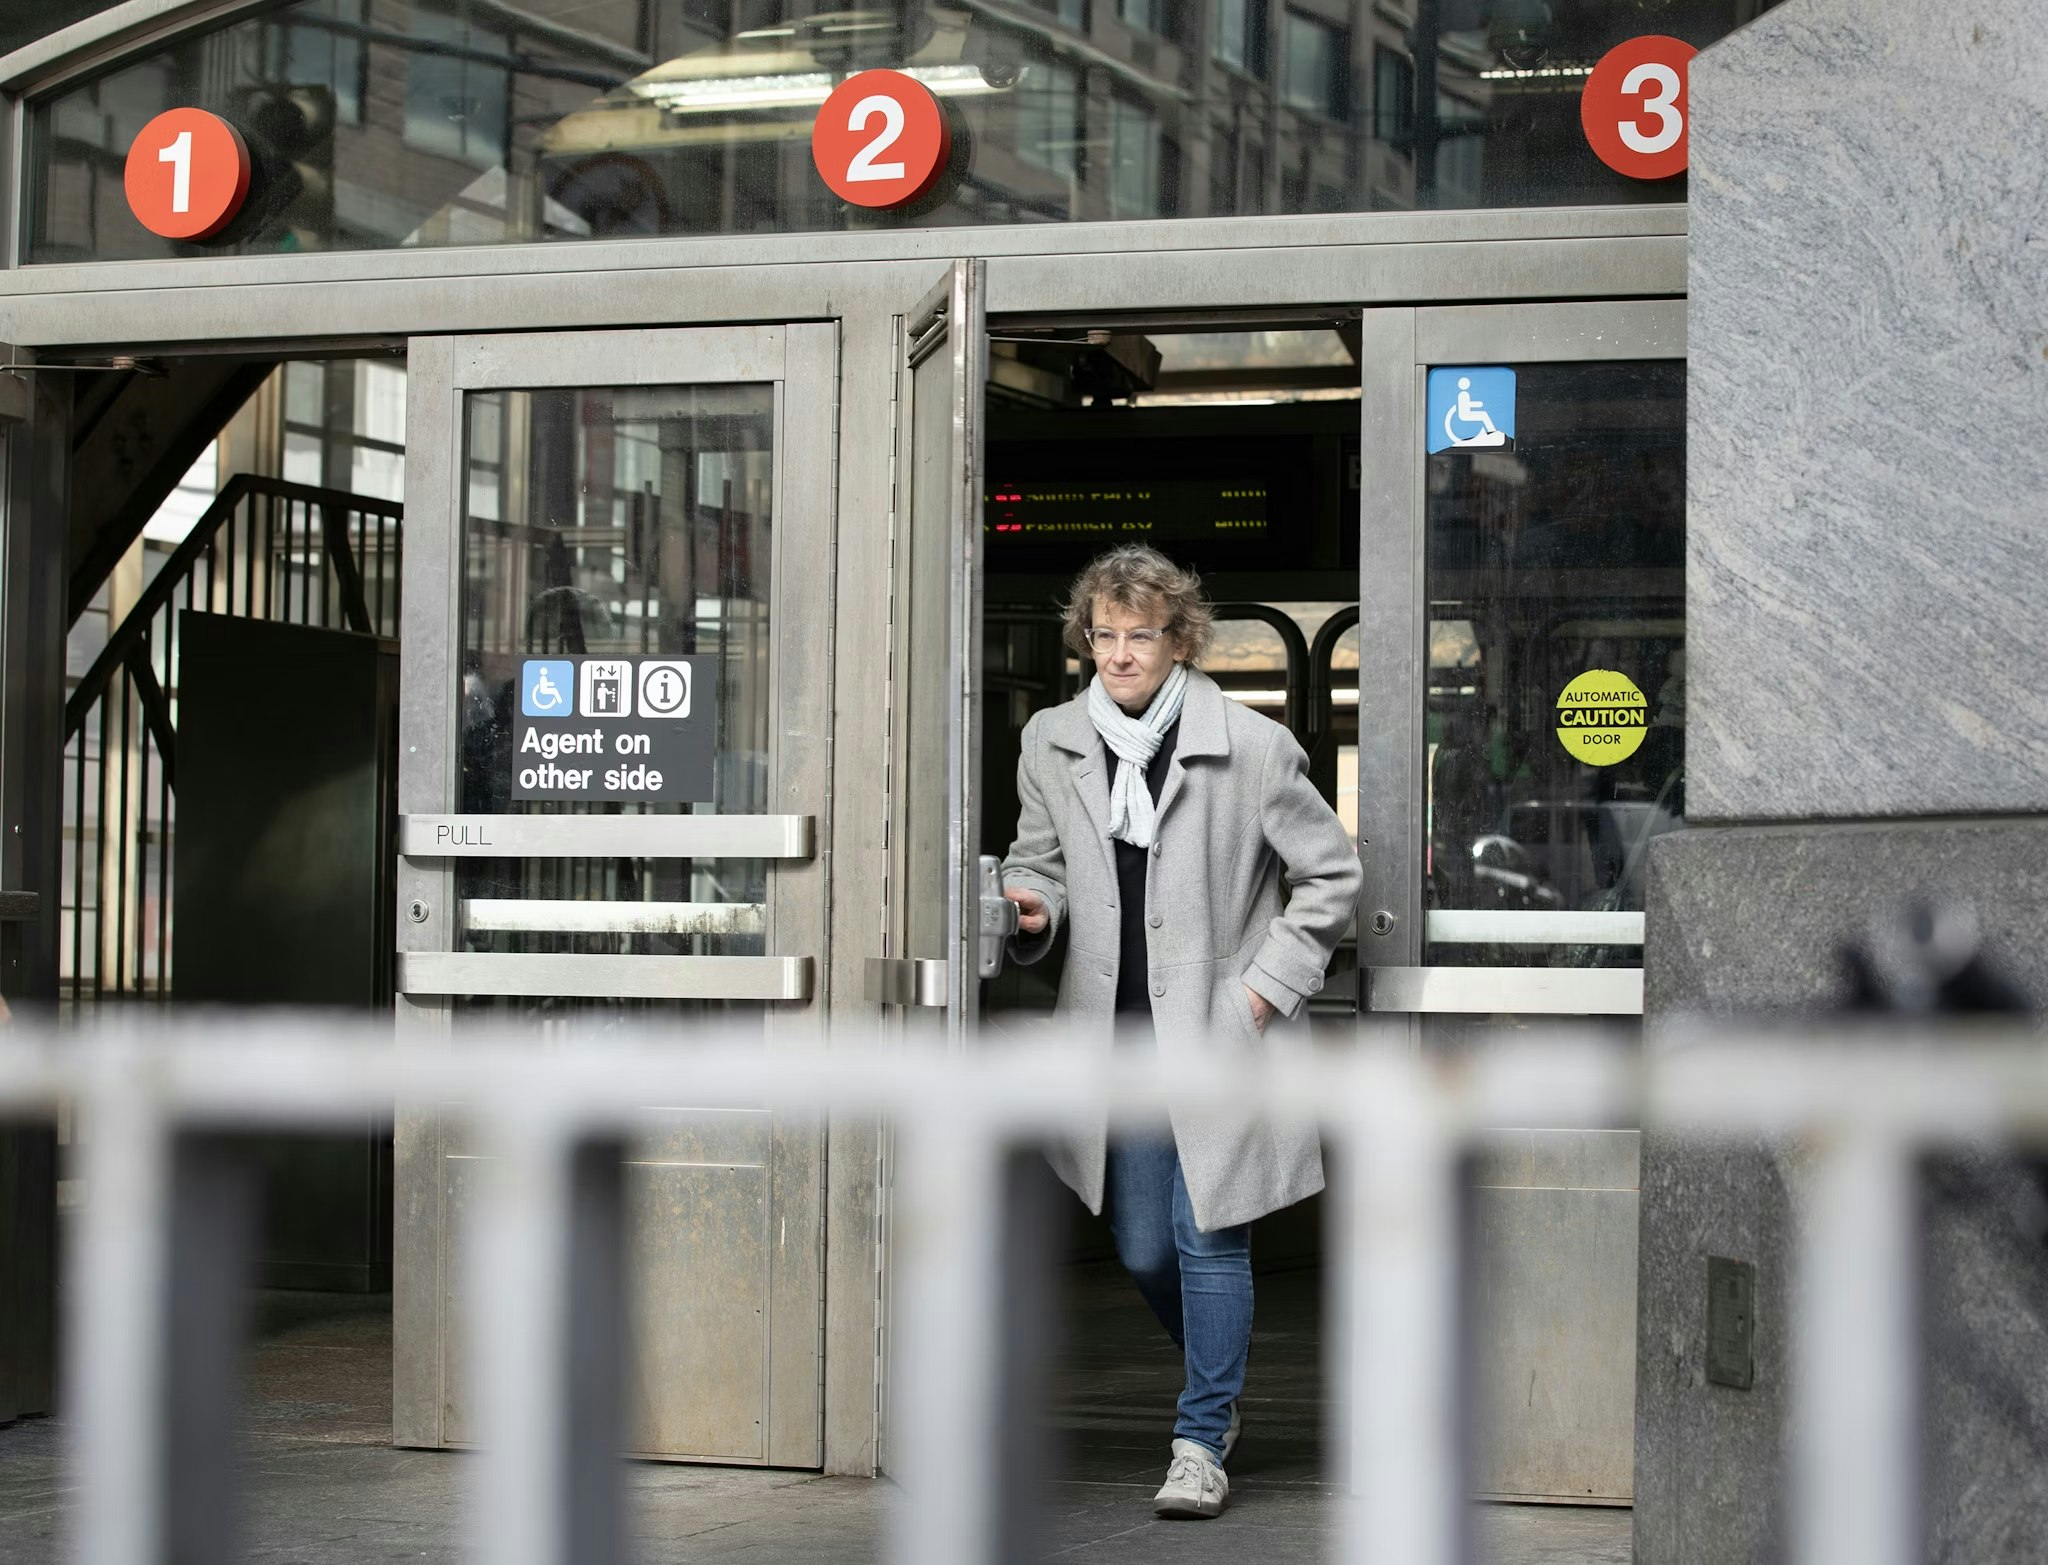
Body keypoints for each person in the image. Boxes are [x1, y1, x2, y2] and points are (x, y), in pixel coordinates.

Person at [1000, 545, 1362, 1520]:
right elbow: (1038, 862)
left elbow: (1330, 876)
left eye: (1140, 635)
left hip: (1216, 1034)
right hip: (1113, 1040)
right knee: (1142, 1247)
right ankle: (1216, 1386)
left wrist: (1260, 993)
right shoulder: (1050, 739)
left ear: (1180, 640)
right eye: (1104, 635)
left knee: (1207, 1238)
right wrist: (1030, 905)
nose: (1119, 654)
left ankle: (1200, 1436)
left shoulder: (1250, 746)